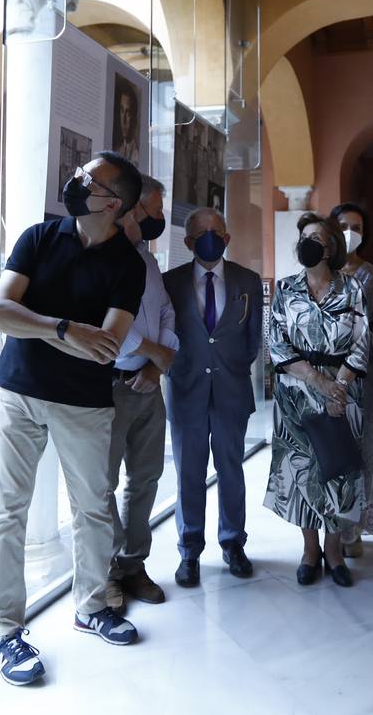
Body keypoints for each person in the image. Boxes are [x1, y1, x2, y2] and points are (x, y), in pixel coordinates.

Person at [0, 152, 146, 687]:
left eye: (88, 180)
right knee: (9, 511)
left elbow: (109, 347)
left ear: (113, 203)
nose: (75, 183)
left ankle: (92, 607)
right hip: (18, 393)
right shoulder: (38, 236)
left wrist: (46, 327)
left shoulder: (129, 263)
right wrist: (64, 329)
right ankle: (5, 631)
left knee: (93, 509)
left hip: (84, 403)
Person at [265, 213, 370, 587]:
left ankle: (335, 551)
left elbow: (361, 341)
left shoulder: (351, 288)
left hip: (343, 392)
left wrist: (337, 386)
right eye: (304, 237)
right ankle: (310, 552)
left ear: (330, 248)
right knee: (302, 475)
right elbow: (276, 343)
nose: (309, 243)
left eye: (317, 238)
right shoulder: (286, 289)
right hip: (296, 395)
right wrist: (316, 380)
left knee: (337, 472)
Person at [161, 207, 264, 587]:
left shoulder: (247, 280)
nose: (209, 238)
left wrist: (232, 367)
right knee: (188, 474)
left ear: (227, 237)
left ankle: (233, 542)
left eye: (216, 231)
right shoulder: (169, 282)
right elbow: (162, 332)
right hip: (186, 391)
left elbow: (253, 339)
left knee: (231, 470)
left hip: (231, 391)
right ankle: (189, 551)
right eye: (200, 233)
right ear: (188, 242)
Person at [104, 176, 178, 611]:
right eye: (153, 210)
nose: (159, 220)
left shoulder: (147, 260)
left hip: (149, 387)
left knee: (146, 478)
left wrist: (156, 364)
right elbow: (106, 325)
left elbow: (165, 309)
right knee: (103, 485)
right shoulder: (101, 258)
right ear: (129, 209)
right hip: (110, 387)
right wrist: (151, 352)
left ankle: (134, 565)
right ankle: (107, 570)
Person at [331, 202, 373, 557]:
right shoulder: (318, 273)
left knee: (364, 453)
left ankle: (355, 529)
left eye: (358, 226)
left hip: (364, 376)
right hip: (323, 377)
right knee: (329, 452)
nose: (351, 231)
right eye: (344, 224)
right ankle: (330, 528)